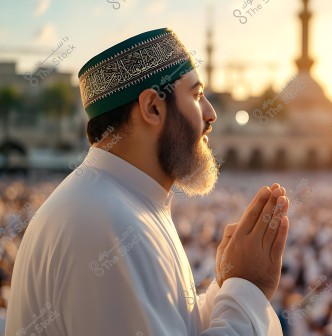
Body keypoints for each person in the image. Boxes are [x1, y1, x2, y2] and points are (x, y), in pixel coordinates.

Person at [5, 28, 290, 335]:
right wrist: (247, 287)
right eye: (196, 95)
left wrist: (227, 283)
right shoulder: (105, 221)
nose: (211, 113)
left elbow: (179, 326)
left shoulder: (123, 203)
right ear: (153, 107)